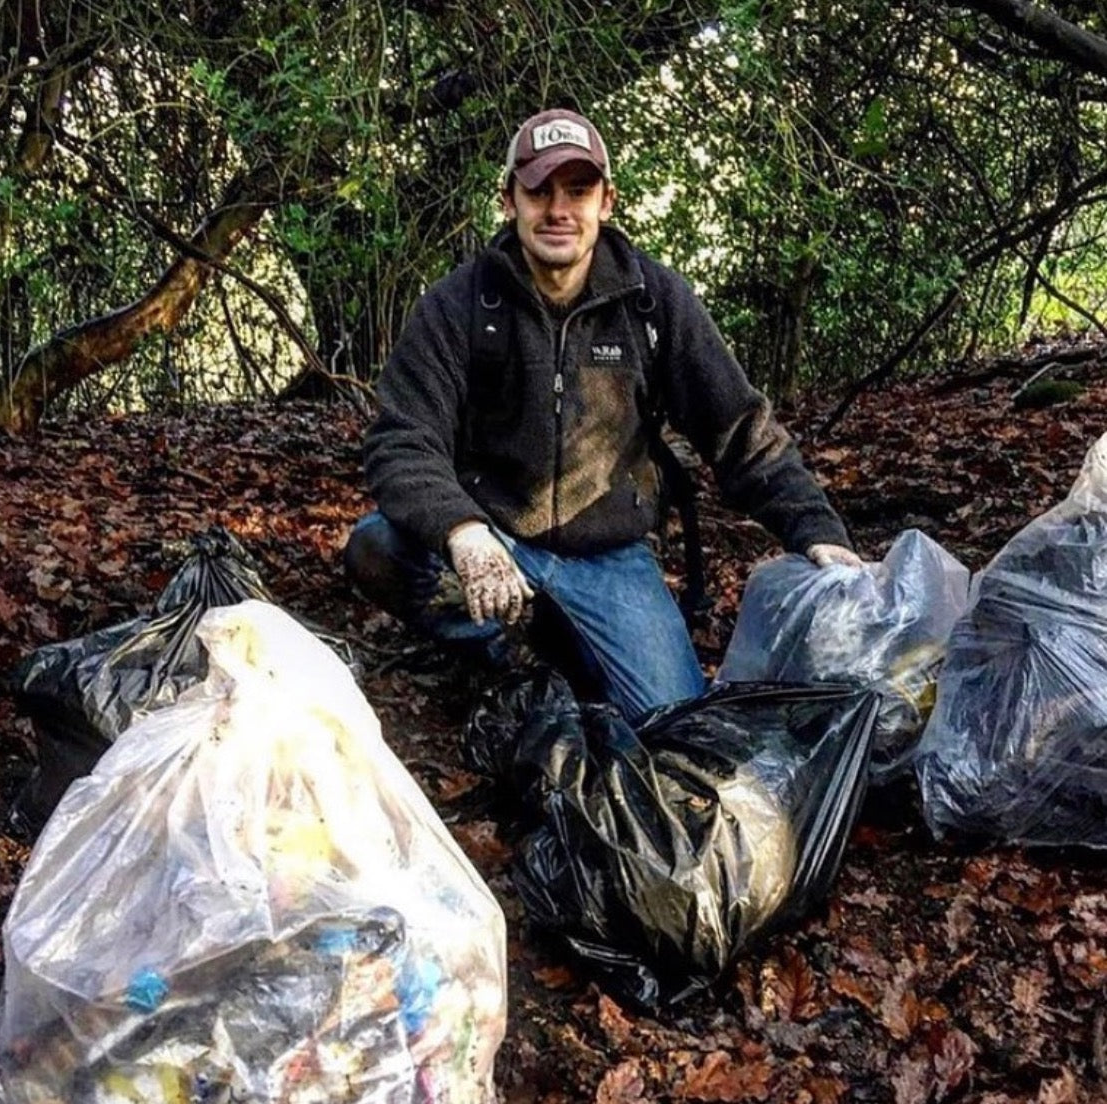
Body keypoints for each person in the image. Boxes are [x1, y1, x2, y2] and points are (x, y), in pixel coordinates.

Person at [345, 107, 860, 720]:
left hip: (610, 557)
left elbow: (739, 430)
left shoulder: (653, 300)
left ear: (606, 202)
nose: (557, 209)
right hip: (497, 532)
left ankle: (567, 644)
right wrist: (465, 533)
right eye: (538, 190)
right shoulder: (458, 304)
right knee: (376, 545)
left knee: (672, 722)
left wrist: (819, 532)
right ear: (509, 200)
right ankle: (498, 647)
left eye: (578, 190)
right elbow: (403, 439)